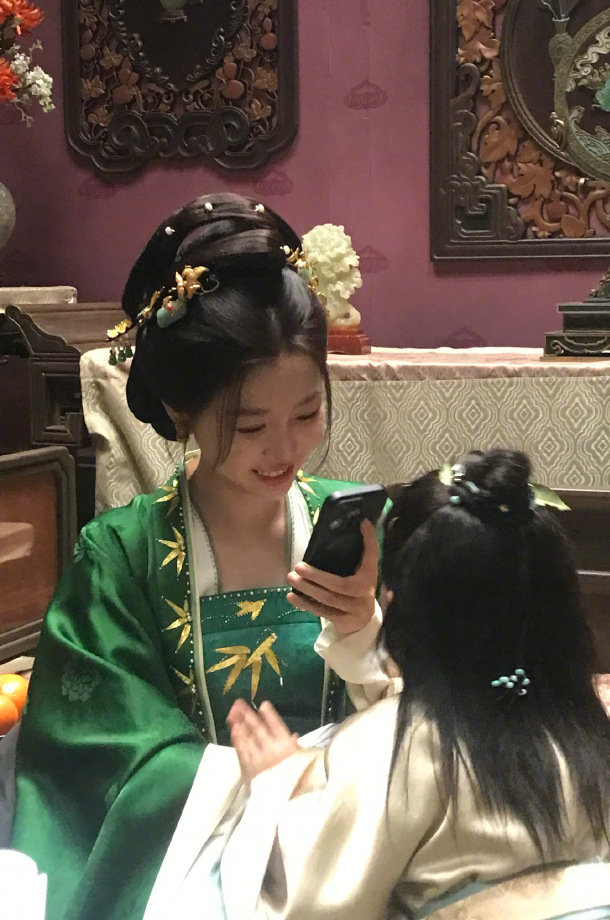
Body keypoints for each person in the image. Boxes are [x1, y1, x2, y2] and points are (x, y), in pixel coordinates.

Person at [10, 193, 390, 920]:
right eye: (249, 427)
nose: (284, 449)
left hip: (357, 841)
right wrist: (257, 781)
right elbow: (97, 758)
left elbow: (438, 722)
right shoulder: (122, 558)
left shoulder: (366, 528)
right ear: (180, 412)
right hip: (201, 865)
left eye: (307, 413)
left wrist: (365, 636)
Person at [143, 449, 610, 920]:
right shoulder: (583, 735)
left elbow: (314, 906)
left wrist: (277, 784)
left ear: (398, 604)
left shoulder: (393, 750)